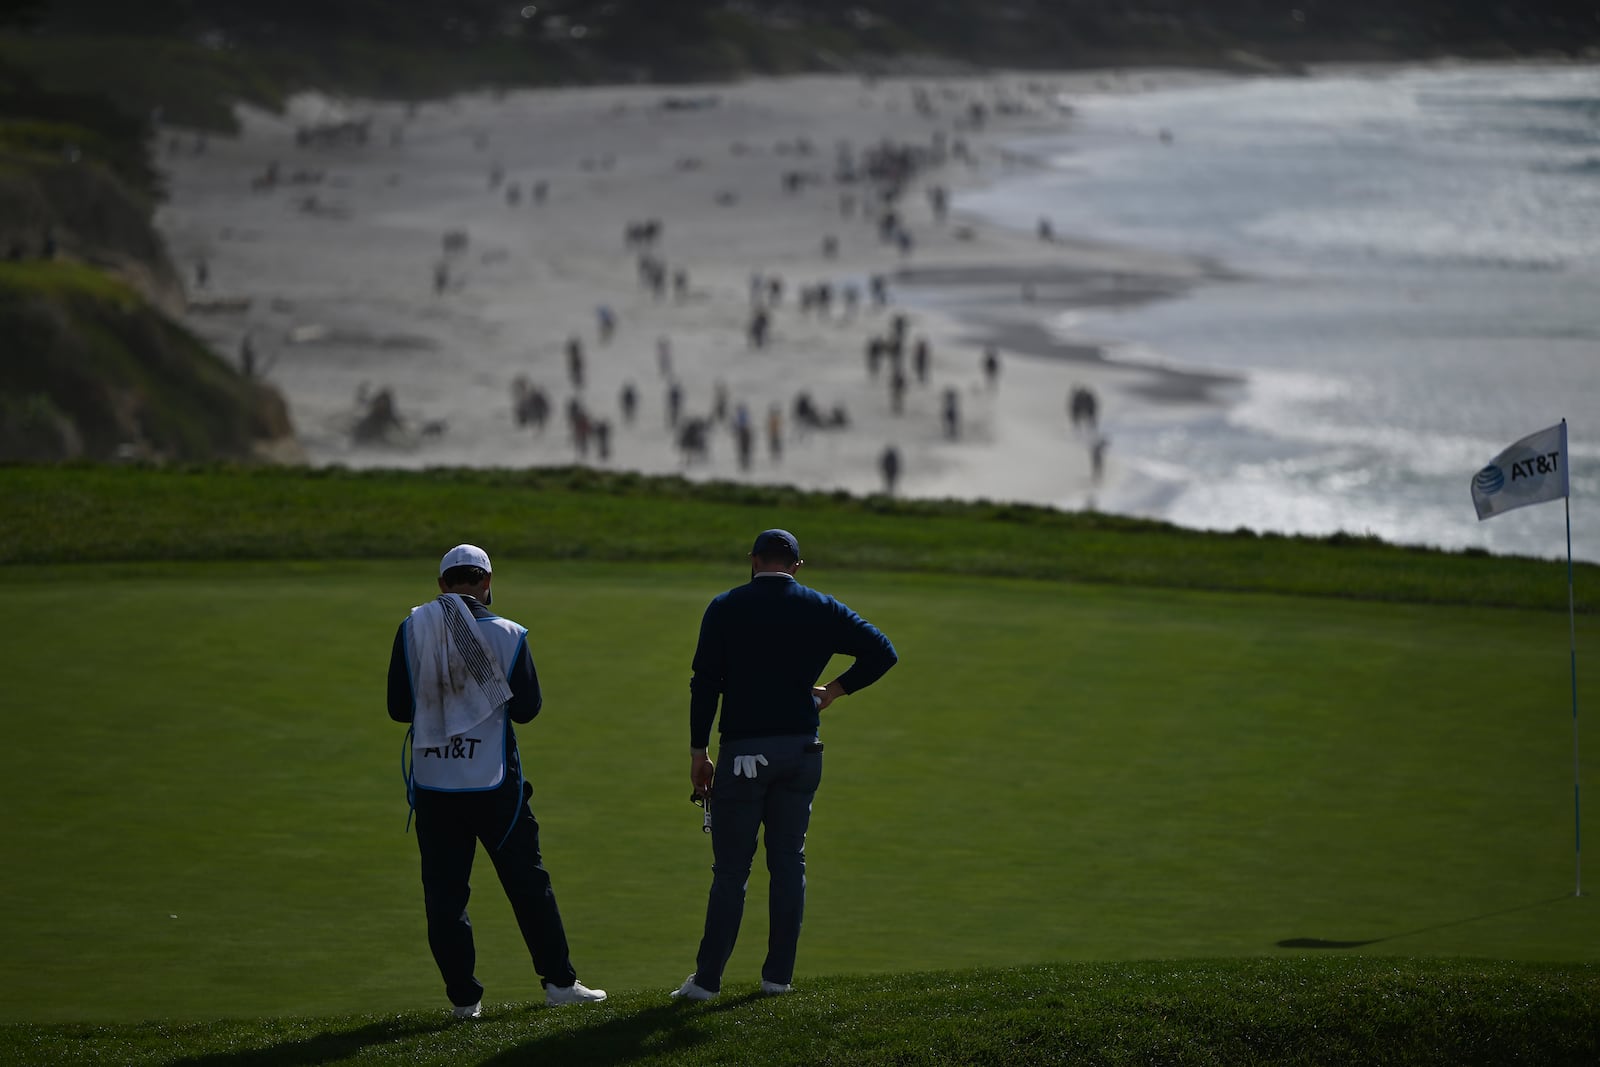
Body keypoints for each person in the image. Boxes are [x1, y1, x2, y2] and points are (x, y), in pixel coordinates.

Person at [672, 530, 898, 1001]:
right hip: (801, 752)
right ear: (796, 565)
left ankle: (707, 984)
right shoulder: (821, 606)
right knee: (788, 863)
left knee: (732, 871)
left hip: (743, 754)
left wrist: (699, 752)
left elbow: (705, 683)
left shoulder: (725, 606)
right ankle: (777, 980)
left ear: (754, 561)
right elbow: (882, 651)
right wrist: (833, 690)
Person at [386, 545, 606, 1018]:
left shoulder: (412, 629)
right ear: (487, 583)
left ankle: (465, 1002)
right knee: (529, 885)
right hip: (495, 786)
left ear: (442, 585)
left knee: (445, 897)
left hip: (435, 786)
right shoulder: (510, 634)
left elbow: (398, 710)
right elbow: (526, 711)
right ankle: (559, 984)